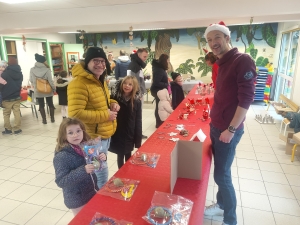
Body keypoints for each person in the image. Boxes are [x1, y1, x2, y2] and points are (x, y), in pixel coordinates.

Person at [203, 21, 256, 225]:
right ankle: (221, 205)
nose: (213, 43)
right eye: (209, 40)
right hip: (217, 126)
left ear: (227, 37)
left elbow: (246, 99)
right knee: (221, 171)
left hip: (227, 129)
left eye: (217, 37)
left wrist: (231, 129)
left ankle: (230, 219)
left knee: (222, 176)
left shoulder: (242, 60)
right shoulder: (221, 62)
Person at [68, 47, 120, 189]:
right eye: (95, 60)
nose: (100, 64)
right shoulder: (79, 83)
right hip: (92, 139)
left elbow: (102, 101)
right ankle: (100, 205)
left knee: (100, 170)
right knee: (100, 175)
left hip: (103, 135)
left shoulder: (99, 80)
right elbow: (75, 113)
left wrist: (113, 103)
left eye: (103, 61)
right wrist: (105, 115)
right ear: (87, 62)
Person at [53, 118, 106, 216]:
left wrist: (101, 156)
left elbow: (93, 159)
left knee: (94, 218)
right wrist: (83, 170)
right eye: (70, 132)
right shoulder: (62, 156)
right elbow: (61, 181)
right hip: (77, 199)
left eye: (78, 131)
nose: (75, 135)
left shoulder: (86, 146)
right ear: (64, 135)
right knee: (83, 220)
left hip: (92, 191)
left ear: (83, 131)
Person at [109, 76, 142, 169]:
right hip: (117, 132)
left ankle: (127, 174)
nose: (127, 86)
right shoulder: (115, 98)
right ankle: (120, 174)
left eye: (130, 84)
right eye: (125, 83)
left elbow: (138, 120)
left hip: (129, 133)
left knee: (128, 155)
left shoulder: (136, 101)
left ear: (134, 87)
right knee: (120, 155)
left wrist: (138, 140)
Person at [127, 48, 149, 138]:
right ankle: (136, 134)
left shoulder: (137, 65)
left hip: (138, 94)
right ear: (139, 55)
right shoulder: (134, 66)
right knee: (136, 115)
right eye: (144, 56)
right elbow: (132, 82)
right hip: (137, 96)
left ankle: (137, 133)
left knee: (137, 115)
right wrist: (138, 95)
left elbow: (138, 80)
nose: (145, 58)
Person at [30, 53, 56, 124]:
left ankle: (44, 120)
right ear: (43, 61)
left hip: (38, 90)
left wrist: (36, 85)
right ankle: (52, 119)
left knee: (41, 105)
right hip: (47, 89)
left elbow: (31, 80)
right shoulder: (47, 69)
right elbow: (50, 81)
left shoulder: (32, 70)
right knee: (50, 104)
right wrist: (53, 89)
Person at [0, 56, 23, 135]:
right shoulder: (20, 73)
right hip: (16, 96)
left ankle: (8, 129)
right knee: (17, 113)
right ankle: (17, 129)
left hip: (7, 97)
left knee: (6, 114)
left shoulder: (5, 74)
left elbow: (1, 86)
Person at [150, 54, 169, 128]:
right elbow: (156, 82)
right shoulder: (160, 70)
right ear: (164, 61)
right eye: (167, 60)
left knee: (159, 106)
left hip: (158, 90)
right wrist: (166, 84)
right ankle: (159, 123)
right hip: (158, 91)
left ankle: (159, 122)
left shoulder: (159, 68)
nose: (168, 62)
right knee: (159, 107)